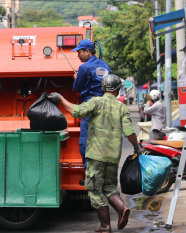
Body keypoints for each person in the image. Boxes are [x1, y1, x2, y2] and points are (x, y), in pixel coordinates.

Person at [48, 74, 143, 232]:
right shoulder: (122, 108)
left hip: (96, 156)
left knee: (93, 189)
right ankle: (121, 208)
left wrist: (60, 98)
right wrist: (137, 148)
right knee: (109, 187)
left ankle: (105, 226)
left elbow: (76, 111)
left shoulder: (96, 102)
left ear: (103, 88)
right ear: (118, 90)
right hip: (113, 157)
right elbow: (129, 131)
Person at [71, 39, 111, 178]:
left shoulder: (84, 68)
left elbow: (77, 87)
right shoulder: (105, 66)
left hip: (90, 108)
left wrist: (76, 78)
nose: (78, 55)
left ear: (87, 51)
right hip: (105, 108)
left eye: (79, 52)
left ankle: (91, 175)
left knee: (85, 143)